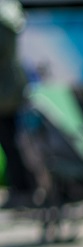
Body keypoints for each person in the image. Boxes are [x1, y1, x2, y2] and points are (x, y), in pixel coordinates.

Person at [0, 0, 34, 210]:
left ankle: (24, 190)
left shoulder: (3, 22)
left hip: (5, 92)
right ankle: (24, 188)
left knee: (12, 144)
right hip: (12, 87)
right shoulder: (10, 15)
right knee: (15, 143)